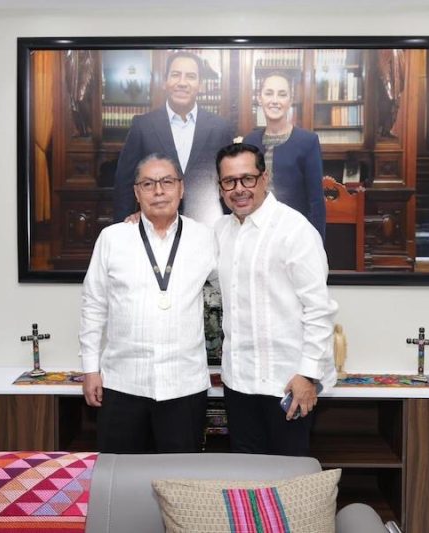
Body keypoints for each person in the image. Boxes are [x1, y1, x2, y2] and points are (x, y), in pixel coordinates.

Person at [79, 153, 217, 453]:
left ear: (181, 188)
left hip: (184, 387)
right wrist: (90, 369)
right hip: (122, 384)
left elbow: (233, 290)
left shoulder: (206, 238)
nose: (158, 191)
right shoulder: (112, 238)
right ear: (136, 192)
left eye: (167, 182)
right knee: (119, 475)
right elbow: (93, 305)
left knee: (181, 477)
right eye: (148, 184)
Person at [213, 142, 337, 456]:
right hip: (238, 384)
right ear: (220, 187)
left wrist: (308, 374)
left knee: (289, 477)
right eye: (229, 181)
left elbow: (319, 310)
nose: (239, 189)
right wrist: (138, 220)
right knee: (245, 476)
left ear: (264, 178)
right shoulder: (220, 232)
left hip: (288, 385)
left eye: (247, 178)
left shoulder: (295, 230)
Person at [113, 52, 234, 227]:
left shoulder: (220, 128)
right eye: (176, 75)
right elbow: (124, 182)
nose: (182, 83)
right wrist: (123, 228)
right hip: (156, 226)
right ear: (165, 81)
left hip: (208, 226)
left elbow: (229, 181)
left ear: (200, 85)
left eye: (190, 76)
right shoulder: (143, 126)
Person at [242, 72, 326, 240]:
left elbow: (316, 202)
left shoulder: (308, 142)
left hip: (294, 235)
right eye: (269, 93)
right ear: (259, 98)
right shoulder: (250, 141)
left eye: (282, 94)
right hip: (255, 233)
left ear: (290, 100)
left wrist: (316, 244)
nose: (275, 100)